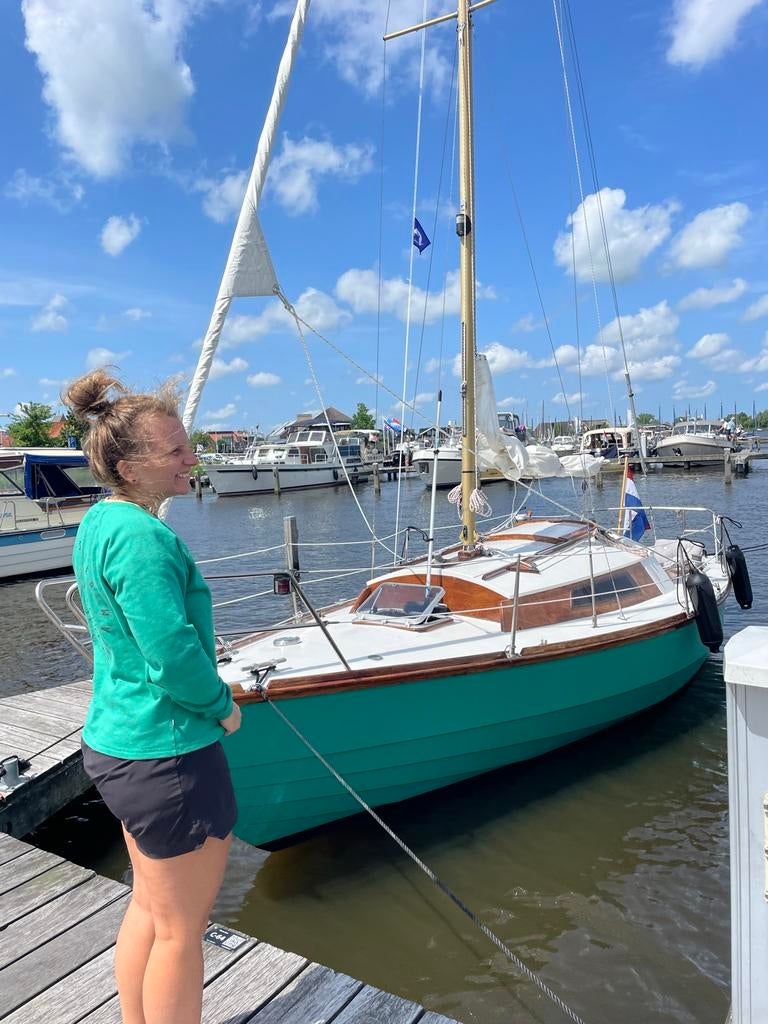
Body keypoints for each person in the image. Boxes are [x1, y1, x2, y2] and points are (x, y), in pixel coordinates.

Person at [64, 369, 241, 1024]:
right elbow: (171, 656)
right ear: (129, 467)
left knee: (150, 906)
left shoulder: (101, 521)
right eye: (175, 450)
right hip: (166, 755)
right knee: (180, 932)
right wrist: (222, 705)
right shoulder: (143, 537)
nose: (191, 459)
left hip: (120, 743)